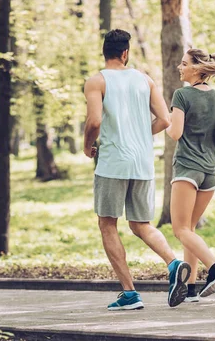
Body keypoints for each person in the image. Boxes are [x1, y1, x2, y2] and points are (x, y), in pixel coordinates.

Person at [84, 29, 190, 311]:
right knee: (141, 225)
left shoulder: (96, 81)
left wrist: (87, 146)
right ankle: (174, 263)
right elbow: (165, 120)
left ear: (105, 52)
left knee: (107, 224)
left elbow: (94, 121)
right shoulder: (145, 80)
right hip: (142, 163)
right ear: (125, 53)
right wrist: (141, 134)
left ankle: (130, 293)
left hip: (112, 163)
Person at [166, 48, 215, 302]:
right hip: (210, 171)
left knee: (179, 230)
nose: (180, 66)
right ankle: (190, 289)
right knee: (190, 229)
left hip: (188, 167)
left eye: (184, 64)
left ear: (197, 69)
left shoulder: (182, 95)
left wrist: (167, 120)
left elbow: (175, 133)